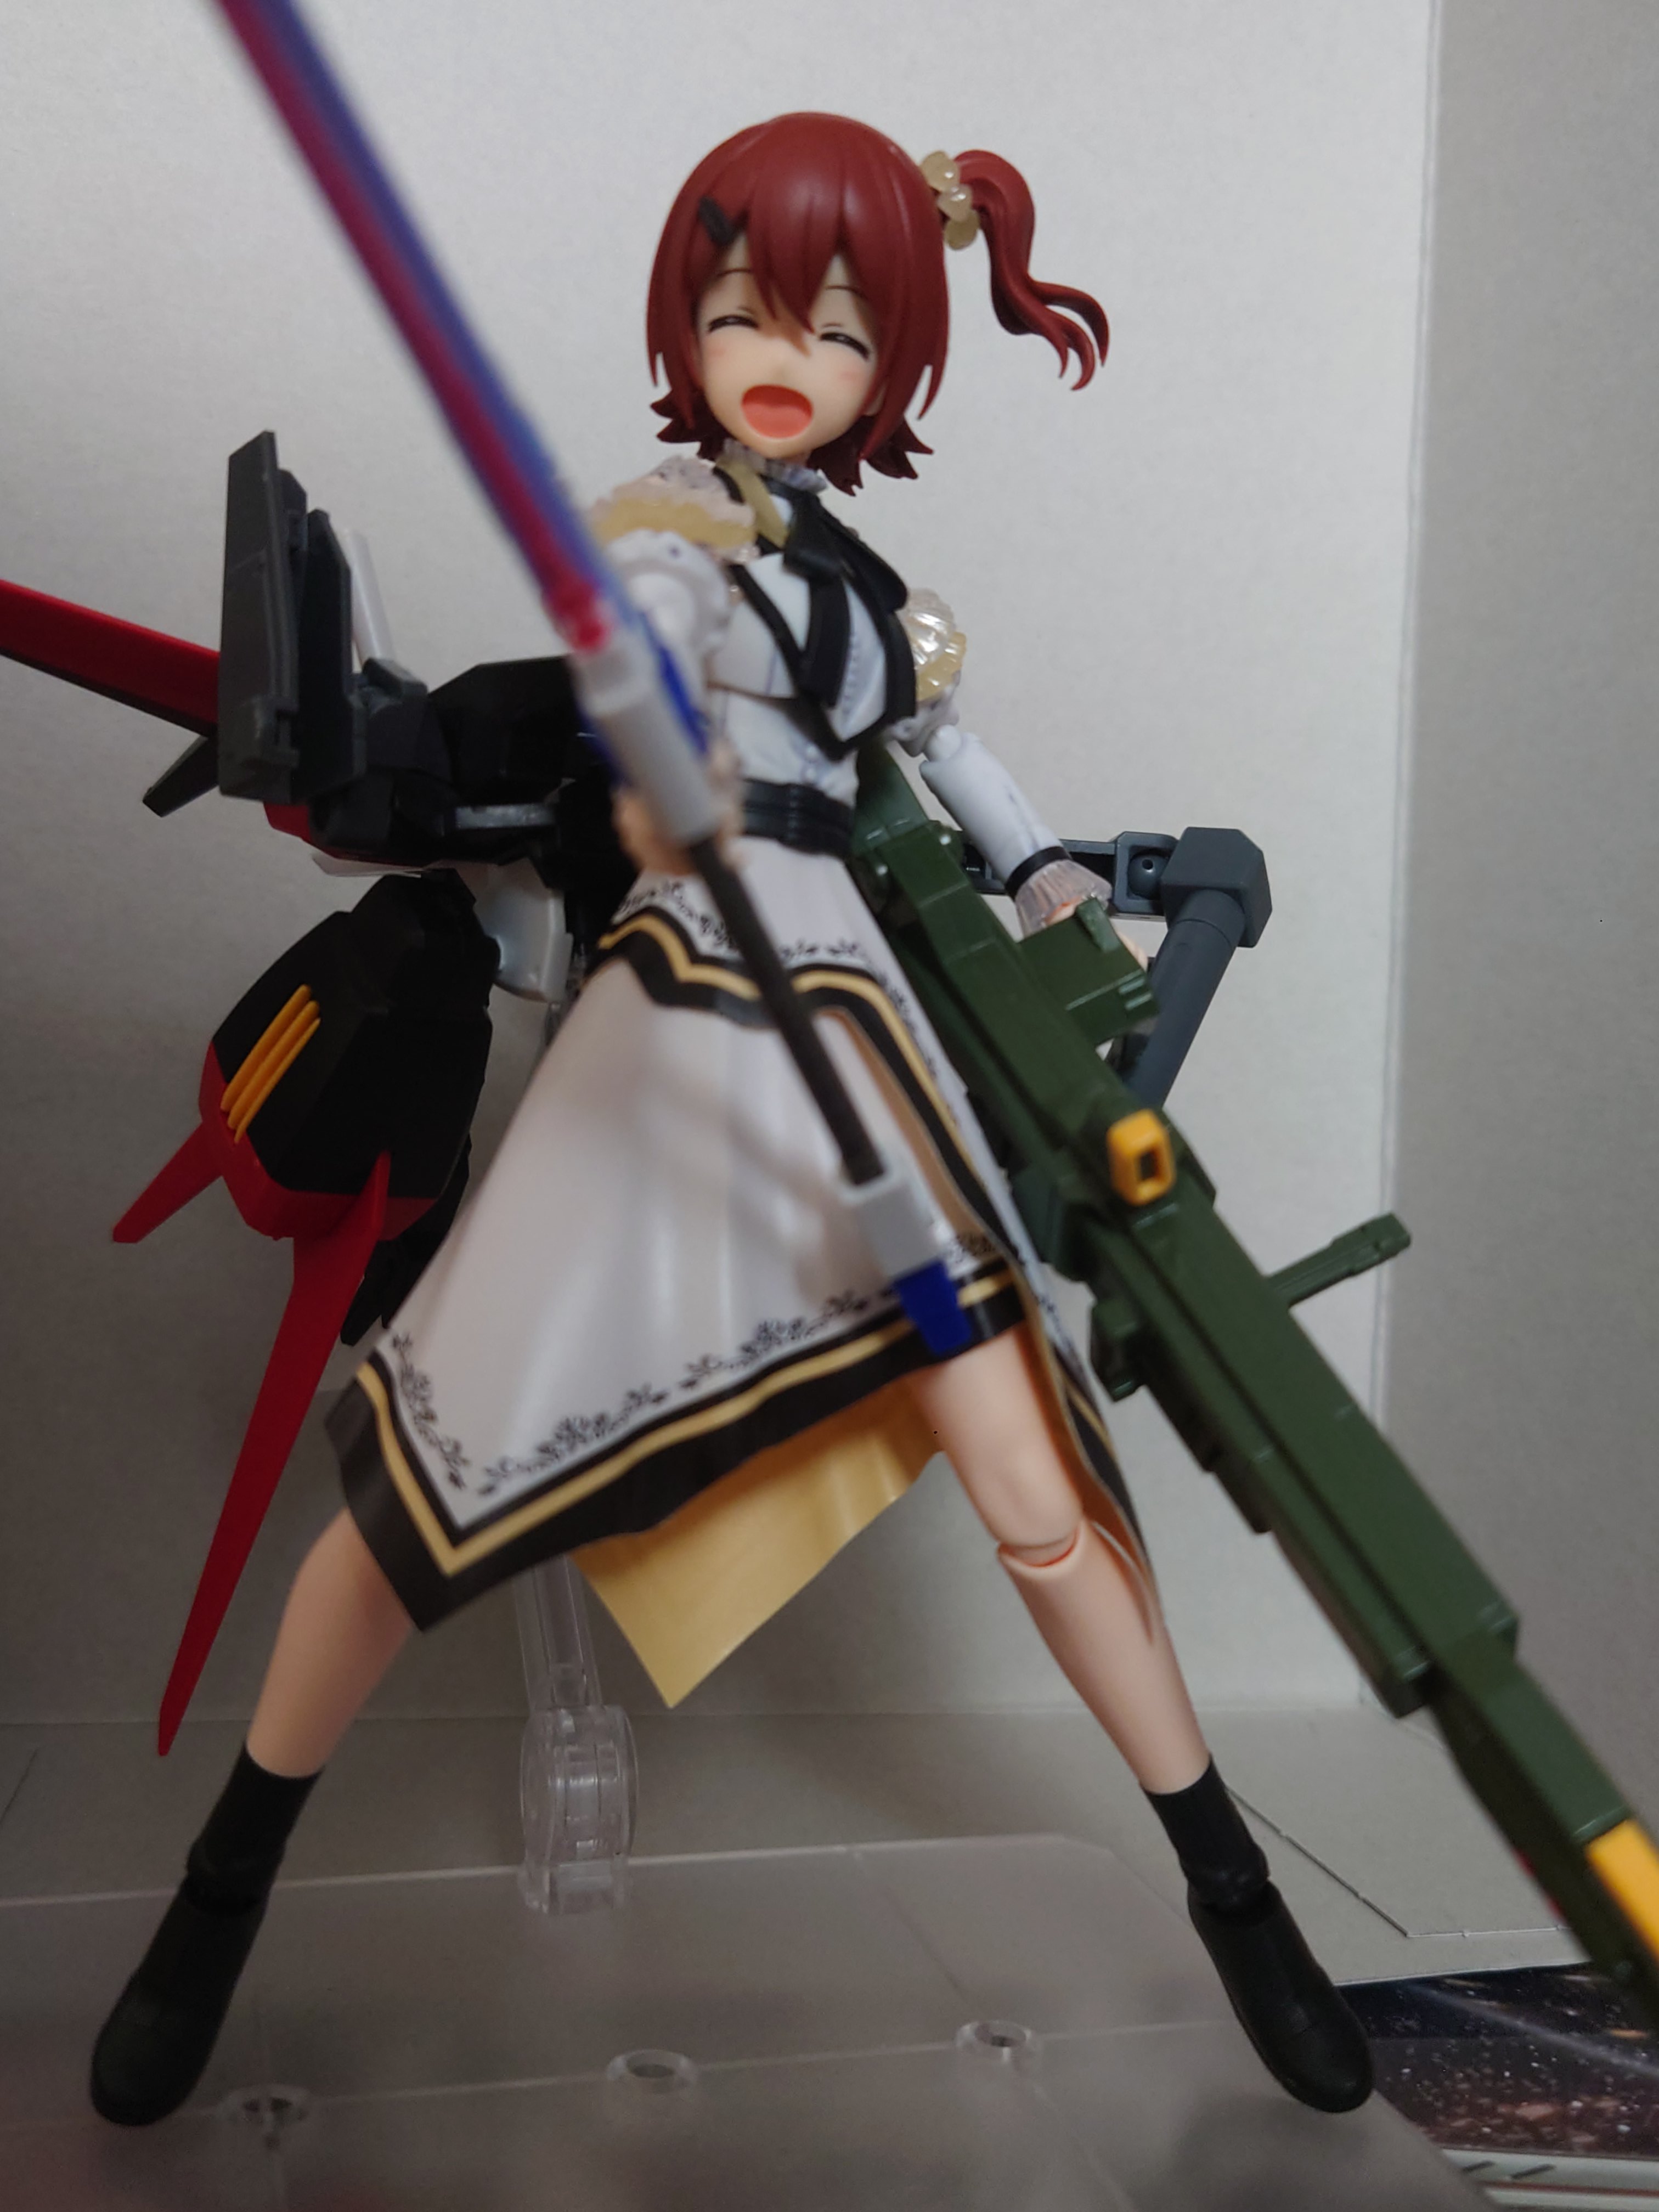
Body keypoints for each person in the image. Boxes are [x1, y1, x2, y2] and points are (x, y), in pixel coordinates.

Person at [91, 112, 1370, 2127]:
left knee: (1031, 1475)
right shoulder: (654, 540)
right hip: (672, 1025)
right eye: (749, 309)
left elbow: (969, 771)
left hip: (848, 1035)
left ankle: (1238, 1895)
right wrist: (430, 754)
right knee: (417, 1476)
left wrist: (1046, 874)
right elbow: (579, 707)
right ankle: (218, 1897)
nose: (790, 357)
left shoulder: (877, 598)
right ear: (688, 323)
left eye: (842, 328)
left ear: (893, 367)